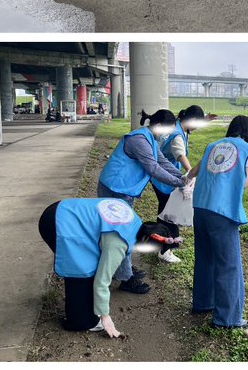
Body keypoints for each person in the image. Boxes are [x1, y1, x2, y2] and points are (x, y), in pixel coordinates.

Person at [38, 197, 180, 337]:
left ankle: (86, 313)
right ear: (145, 240)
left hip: (63, 207)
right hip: (58, 222)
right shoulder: (118, 244)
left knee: (88, 266)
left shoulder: (134, 220)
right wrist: (105, 317)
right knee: (81, 270)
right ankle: (78, 322)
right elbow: (102, 282)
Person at [97, 109, 188, 293]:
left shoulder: (150, 140)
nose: (169, 134)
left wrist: (184, 178)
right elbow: (153, 168)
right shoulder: (139, 140)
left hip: (122, 190)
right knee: (121, 235)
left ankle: (122, 269)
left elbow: (163, 163)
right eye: (168, 130)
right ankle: (126, 277)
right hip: (115, 190)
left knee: (120, 233)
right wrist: (179, 182)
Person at [191, 115, 248, 329]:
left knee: (204, 257)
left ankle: (202, 303)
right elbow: (245, 182)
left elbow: (194, 171)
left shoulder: (213, 145)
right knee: (228, 264)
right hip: (222, 211)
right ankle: (227, 318)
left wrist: (182, 180)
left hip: (200, 206)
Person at [151, 106, 209, 264]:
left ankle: (160, 244)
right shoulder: (177, 134)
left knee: (165, 212)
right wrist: (192, 172)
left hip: (164, 175)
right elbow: (180, 155)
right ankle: (165, 250)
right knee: (168, 215)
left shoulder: (178, 125)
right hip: (164, 177)